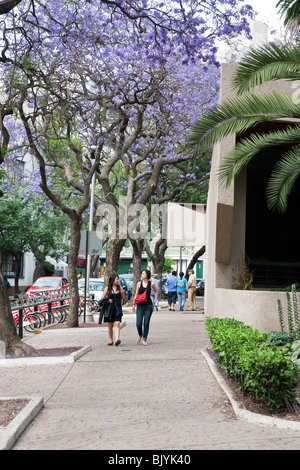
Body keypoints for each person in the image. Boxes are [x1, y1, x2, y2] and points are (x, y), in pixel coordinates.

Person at [133, 269, 157, 346]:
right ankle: (140, 335)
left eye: (143, 273)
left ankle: (144, 338)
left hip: (148, 306)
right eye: (142, 273)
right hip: (140, 306)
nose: (142, 274)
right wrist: (133, 304)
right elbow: (136, 294)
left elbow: (156, 291)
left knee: (146, 323)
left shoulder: (151, 284)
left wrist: (155, 300)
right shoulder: (138, 284)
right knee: (138, 323)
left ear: (147, 275)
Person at [101, 274, 127, 346]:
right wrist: (108, 300)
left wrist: (123, 293)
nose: (118, 280)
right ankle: (111, 340)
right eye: (117, 279)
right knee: (110, 325)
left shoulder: (120, 288)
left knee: (117, 323)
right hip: (109, 309)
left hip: (118, 308)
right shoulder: (107, 289)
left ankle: (117, 340)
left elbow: (124, 299)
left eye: (118, 279)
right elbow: (102, 299)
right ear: (113, 280)